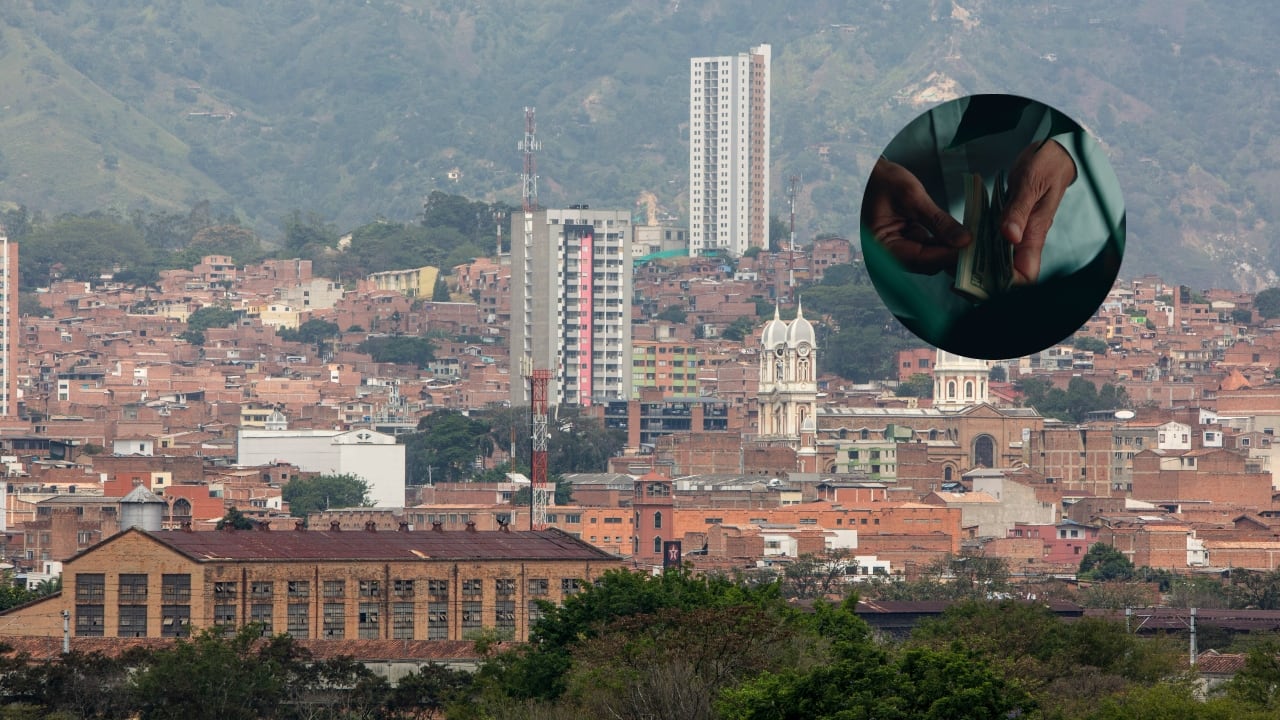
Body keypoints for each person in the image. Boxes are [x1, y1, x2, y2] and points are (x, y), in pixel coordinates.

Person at [860, 94, 1125, 359]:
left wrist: (1066, 147)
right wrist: (875, 176)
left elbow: (1108, 110)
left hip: (1066, 245)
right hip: (904, 284)